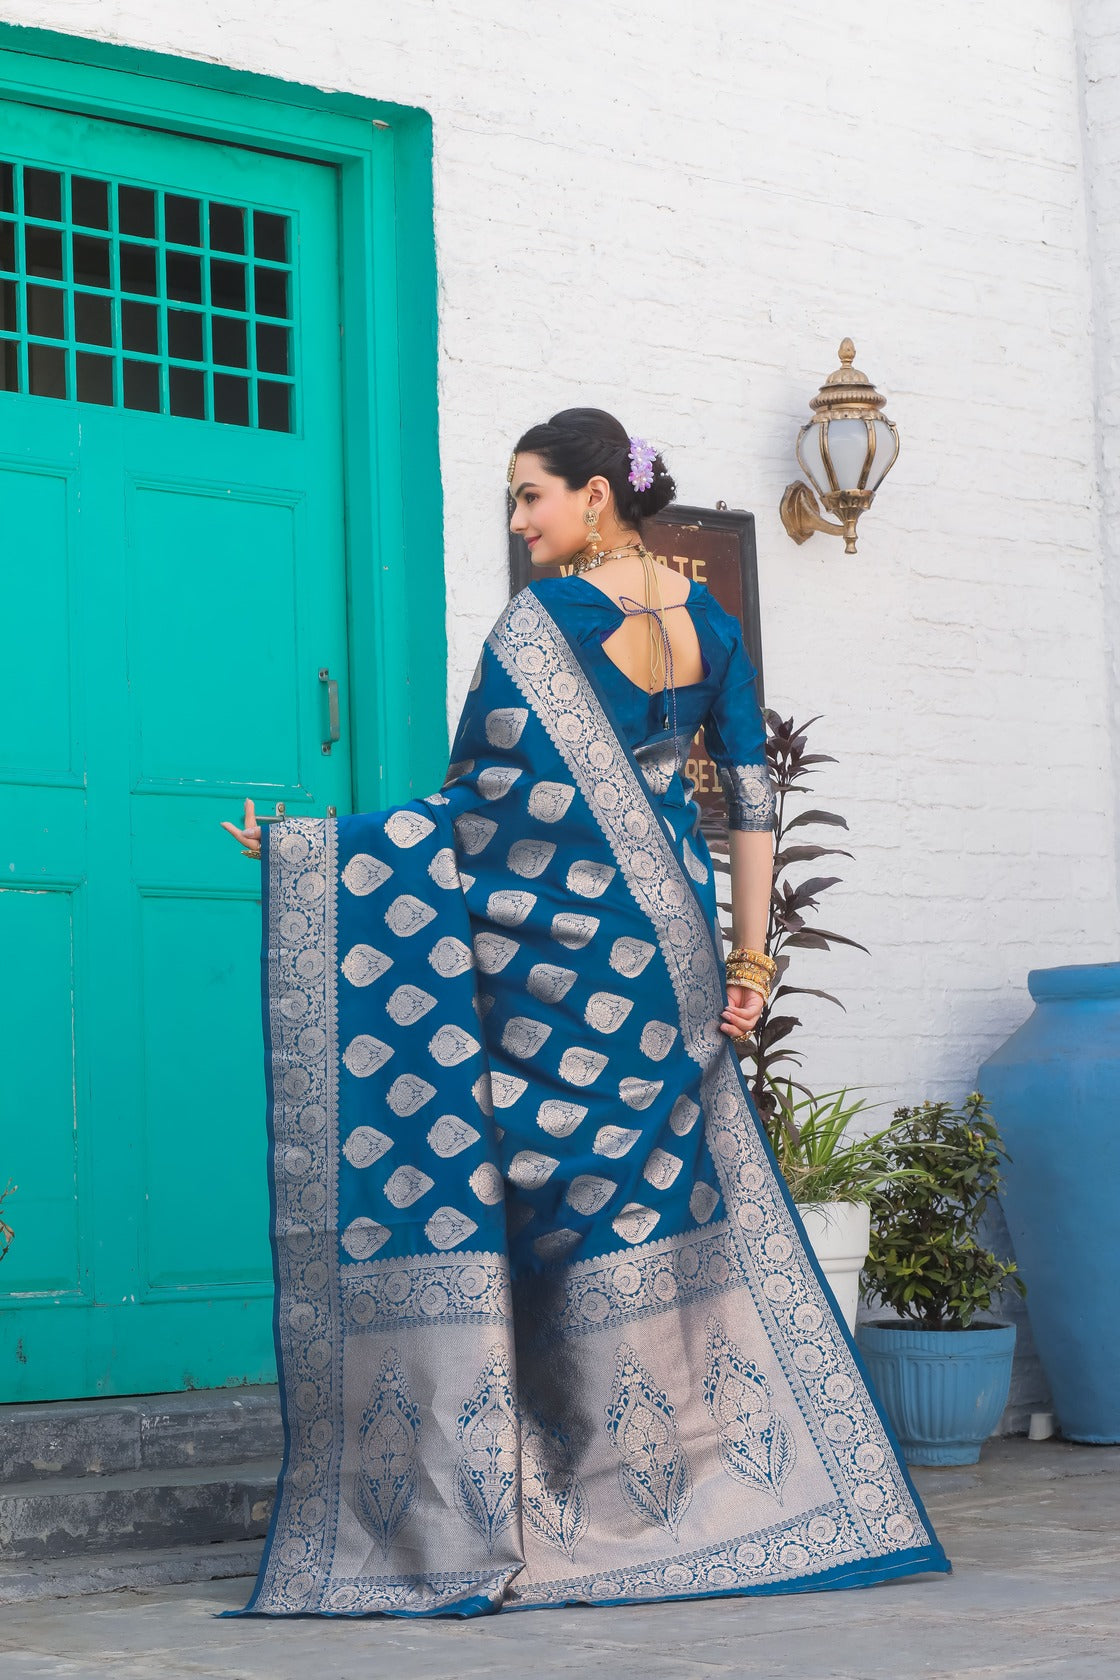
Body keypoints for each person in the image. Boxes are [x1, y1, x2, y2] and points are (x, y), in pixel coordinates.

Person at [219, 407, 948, 1617]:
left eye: (530, 495)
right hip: (675, 949)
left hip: (562, 955)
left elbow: (476, 807)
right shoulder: (713, 624)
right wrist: (751, 963)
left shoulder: (543, 622)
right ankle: (671, 1488)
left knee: (532, 1189)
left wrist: (316, 852)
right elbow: (749, 804)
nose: (519, 522)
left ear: (597, 494)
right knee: (640, 1188)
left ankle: (549, 1494)